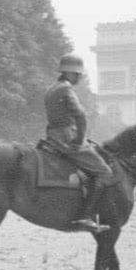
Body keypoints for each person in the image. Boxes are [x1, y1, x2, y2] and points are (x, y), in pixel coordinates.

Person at [43, 53, 113, 233]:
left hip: (52, 135)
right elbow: (80, 115)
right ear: (71, 73)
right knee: (104, 172)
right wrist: (80, 139)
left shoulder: (51, 89)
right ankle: (86, 216)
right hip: (66, 137)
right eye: (78, 74)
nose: (79, 77)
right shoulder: (66, 89)